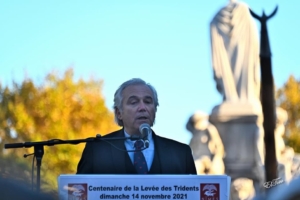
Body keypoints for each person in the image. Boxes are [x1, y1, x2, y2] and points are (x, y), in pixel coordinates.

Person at [77, 78, 196, 174]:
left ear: (155, 109)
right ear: (119, 113)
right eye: (134, 102)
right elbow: (79, 193)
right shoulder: (97, 150)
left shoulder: (181, 153)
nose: (142, 108)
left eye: (148, 102)